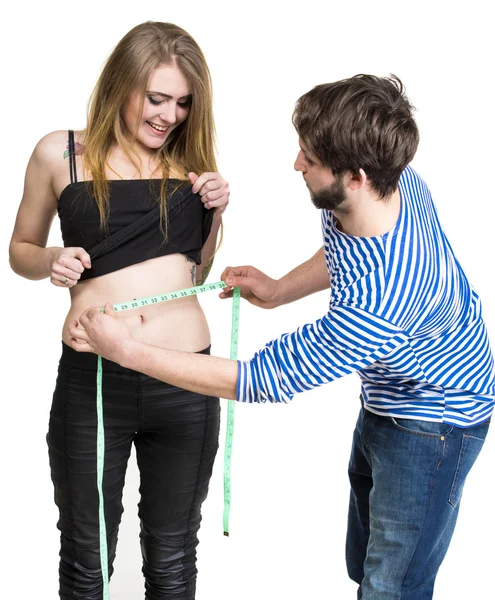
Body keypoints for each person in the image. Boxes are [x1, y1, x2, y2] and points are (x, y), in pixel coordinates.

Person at [69, 74, 494, 599]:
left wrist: (126, 351)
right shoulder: (393, 183)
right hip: (391, 396)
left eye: (310, 160)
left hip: (436, 423)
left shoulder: (382, 307)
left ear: (356, 177)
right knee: (365, 560)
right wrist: (278, 290)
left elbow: (254, 381)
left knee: (393, 587)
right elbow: (350, 253)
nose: (297, 164)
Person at [9, 21, 230, 600]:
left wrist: (216, 213)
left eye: (183, 103)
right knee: (86, 559)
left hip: (185, 381)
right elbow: (21, 251)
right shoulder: (61, 153)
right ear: (122, 85)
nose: (170, 116)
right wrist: (52, 259)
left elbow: (197, 272)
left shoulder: (191, 165)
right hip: (94, 380)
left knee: (173, 559)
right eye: (157, 98)